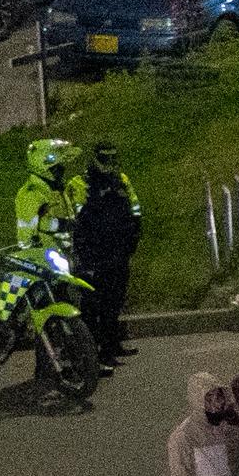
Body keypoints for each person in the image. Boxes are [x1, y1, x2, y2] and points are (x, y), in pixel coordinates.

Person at [69, 144, 143, 361]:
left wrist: (133, 235)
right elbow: (75, 220)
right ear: (94, 159)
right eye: (104, 159)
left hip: (118, 250)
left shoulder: (121, 180)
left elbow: (135, 209)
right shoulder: (79, 184)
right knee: (93, 304)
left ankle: (111, 345)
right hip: (94, 253)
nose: (109, 164)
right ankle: (94, 352)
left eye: (112, 159)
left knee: (115, 301)